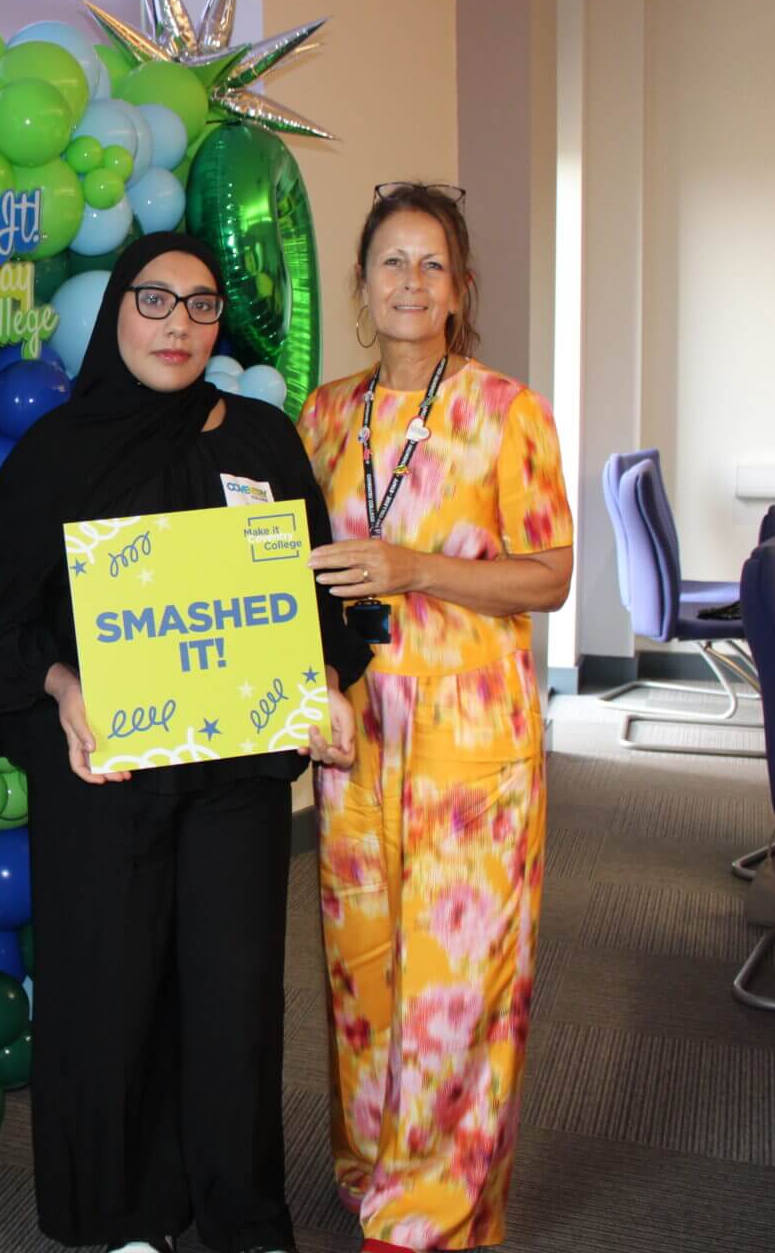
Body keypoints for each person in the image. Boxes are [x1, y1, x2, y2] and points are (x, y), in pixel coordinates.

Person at [0, 232, 374, 1253]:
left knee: (235, 993)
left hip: (235, 773)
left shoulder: (262, 437)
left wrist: (324, 680)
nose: (179, 325)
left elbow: (305, 592)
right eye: (155, 300)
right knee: (109, 989)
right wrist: (62, 683)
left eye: (201, 304)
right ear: (116, 313)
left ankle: (242, 1215)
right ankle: (124, 1217)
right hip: (109, 772)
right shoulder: (58, 452)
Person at [295, 183, 574, 1252]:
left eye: (432, 264)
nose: (410, 282)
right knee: (362, 969)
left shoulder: (509, 411)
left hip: (470, 733)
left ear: (460, 290)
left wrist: (419, 569)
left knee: (456, 983)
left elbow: (549, 576)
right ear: (362, 286)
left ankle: (434, 1213)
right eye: (391, 262)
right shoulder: (325, 415)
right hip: (354, 731)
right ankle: (374, 1168)